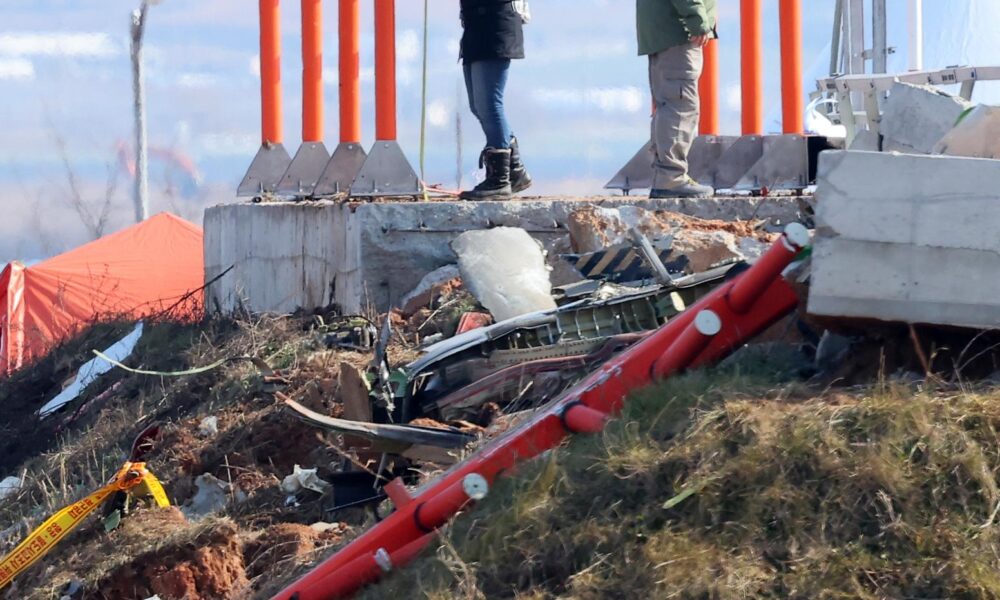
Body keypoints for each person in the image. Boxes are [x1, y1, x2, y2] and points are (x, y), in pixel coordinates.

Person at [637, 0, 717, 198]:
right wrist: (697, 20)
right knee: (680, 105)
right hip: (678, 30)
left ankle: (666, 175)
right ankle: (671, 178)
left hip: (666, 30)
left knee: (670, 103)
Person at [459, 0, 532, 201]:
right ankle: (514, 171)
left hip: (494, 23)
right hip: (477, 23)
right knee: (478, 106)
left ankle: (500, 180)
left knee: (489, 105)